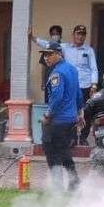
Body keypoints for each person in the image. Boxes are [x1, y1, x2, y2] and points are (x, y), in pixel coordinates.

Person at [37, 39, 80, 191]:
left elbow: (57, 97)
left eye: (50, 55)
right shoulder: (72, 69)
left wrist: (47, 115)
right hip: (70, 118)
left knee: (50, 150)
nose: (46, 58)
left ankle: (57, 186)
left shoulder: (57, 73)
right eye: (45, 55)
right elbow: (78, 94)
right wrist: (79, 113)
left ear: (59, 54)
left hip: (58, 119)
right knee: (63, 150)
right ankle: (74, 181)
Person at [62, 25, 98, 145]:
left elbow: (94, 68)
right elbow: (48, 45)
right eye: (78, 34)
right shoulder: (65, 48)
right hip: (70, 86)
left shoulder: (89, 50)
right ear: (73, 35)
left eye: (83, 34)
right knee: (70, 112)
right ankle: (72, 138)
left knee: (86, 113)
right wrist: (33, 38)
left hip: (85, 86)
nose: (80, 36)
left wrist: (94, 85)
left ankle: (83, 138)